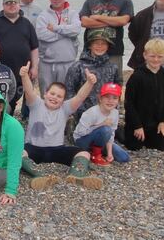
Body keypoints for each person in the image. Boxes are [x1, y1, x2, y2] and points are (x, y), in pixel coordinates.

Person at [18, 61, 103, 190]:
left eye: (59, 96)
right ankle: (41, 176)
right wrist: (24, 76)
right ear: (45, 94)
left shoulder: (65, 109)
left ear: (63, 100)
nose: (55, 97)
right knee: (18, 152)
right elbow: (29, 91)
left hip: (57, 150)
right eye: (52, 94)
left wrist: (89, 83)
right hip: (34, 148)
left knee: (84, 154)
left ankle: (76, 176)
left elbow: (80, 97)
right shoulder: (36, 104)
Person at [0, 0, 39, 114]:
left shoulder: (27, 24)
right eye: (8, 3)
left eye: (14, 2)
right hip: (0, 74)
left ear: (19, 4)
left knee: (16, 102)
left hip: (22, 74)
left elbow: (34, 47)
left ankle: (16, 120)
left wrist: (34, 67)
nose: (12, 5)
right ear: (3, 5)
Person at [123, 39, 164, 151]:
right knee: (134, 147)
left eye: (160, 57)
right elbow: (129, 103)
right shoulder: (137, 76)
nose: (156, 59)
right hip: (137, 124)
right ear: (145, 55)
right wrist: (137, 125)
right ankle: (119, 131)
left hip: (156, 124)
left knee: (159, 148)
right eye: (152, 56)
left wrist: (163, 121)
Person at [79, 0, 134, 74]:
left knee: (113, 81)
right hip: (90, 52)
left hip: (114, 52)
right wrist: (113, 21)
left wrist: (98, 17)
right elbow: (84, 22)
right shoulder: (90, 1)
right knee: (87, 80)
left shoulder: (125, 2)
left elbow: (123, 20)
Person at [64, 30, 123, 122]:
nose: (100, 46)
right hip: (82, 114)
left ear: (108, 46)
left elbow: (118, 89)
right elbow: (69, 91)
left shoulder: (113, 67)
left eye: (103, 43)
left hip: (106, 112)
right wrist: (75, 111)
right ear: (90, 46)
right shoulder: (77, 66)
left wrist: (114, 107)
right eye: (96, 43)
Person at [35, 0, 81, 93]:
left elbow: (76, 30)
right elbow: (41, 34)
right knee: (46, 95)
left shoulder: (73, 13)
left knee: (67, 95)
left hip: (68, 63)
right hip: (46, 64)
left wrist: (56, 28)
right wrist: (65, 32)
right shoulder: (43, 16)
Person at [73, 83, 130, 166]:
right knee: (105, 129)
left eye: (115, 98)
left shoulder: (115, 113)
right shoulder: (91, 113)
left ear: (118, 101)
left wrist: (110, 153)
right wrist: (101, 125)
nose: (110, 101)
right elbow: (81, 132)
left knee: (124, 157)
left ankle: (95, 151)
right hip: (82, 141)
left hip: (101, 140)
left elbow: (111, 134)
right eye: (107, 97)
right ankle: (96, 155)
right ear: (100, 98)